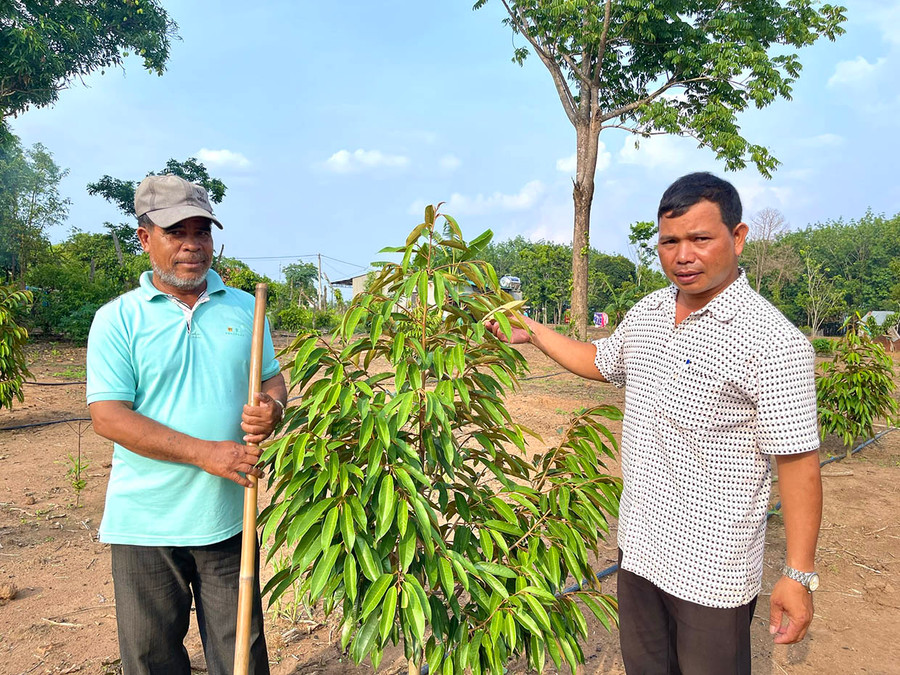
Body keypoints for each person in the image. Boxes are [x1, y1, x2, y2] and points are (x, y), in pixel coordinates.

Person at [488, 172, 822, 674]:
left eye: (700, 239)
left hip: (713, 567)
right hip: (641, 547)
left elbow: (799, 465)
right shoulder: (649, 311)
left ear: (738, 237)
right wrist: (533, 332)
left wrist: (798, 574)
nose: (682, 255)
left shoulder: (773, 342)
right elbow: (601, 361)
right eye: (669, 241)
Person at [86, 174, 287, 675]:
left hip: (230, 516)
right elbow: (108, 417)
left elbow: (273, 382)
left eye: (202, 232)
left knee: (240, 652)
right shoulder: (119, 319)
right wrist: (207, 453)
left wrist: (273, 408)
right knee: (152, 658)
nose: (193, 247)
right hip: (146, 523)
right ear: (145, 238)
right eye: (177, 233)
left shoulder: (246, 307)